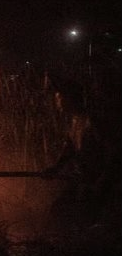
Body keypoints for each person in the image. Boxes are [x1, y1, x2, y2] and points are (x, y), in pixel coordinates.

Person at [41, 81, 110, 231]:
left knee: (84, 219)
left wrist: (102, 180)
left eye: (59, 98)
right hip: (83, 179)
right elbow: (69, 150)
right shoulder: (74, 122)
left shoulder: (91, 121)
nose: (57, 101)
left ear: (70, 98)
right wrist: (55, 169)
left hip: (96, 182)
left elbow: (110, 152)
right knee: (59, 210)